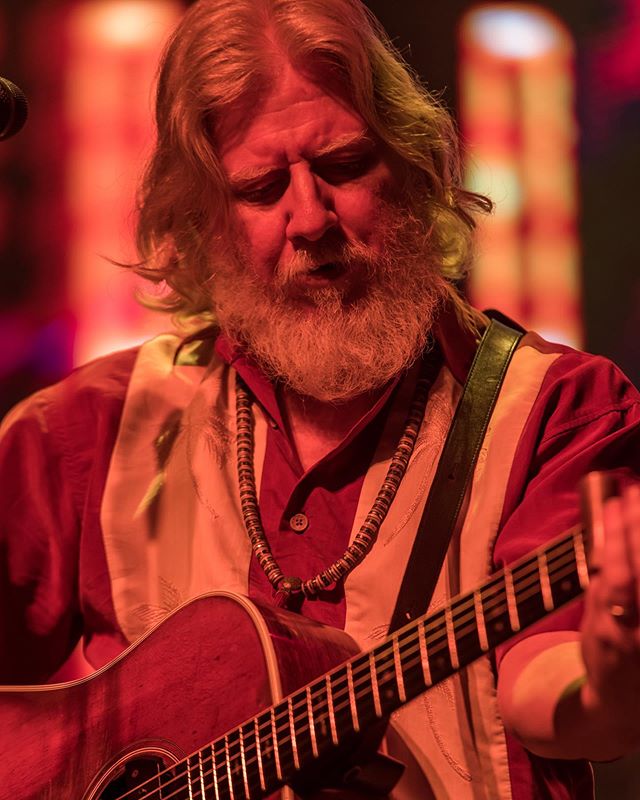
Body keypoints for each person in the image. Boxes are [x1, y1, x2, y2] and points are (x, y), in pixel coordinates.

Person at [1, 0, 639, 797]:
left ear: (411, 166)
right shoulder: (86, 433)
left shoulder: (558, 409)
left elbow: (559, 697)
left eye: (342, 166)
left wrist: (613, 661)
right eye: (263, 188)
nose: (310, 217)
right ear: (204, 222)